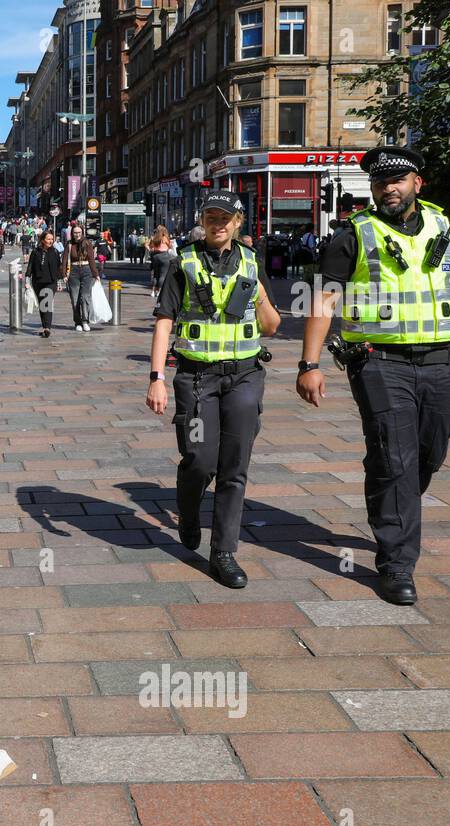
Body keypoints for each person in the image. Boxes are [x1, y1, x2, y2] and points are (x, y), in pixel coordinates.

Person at [297, 145, 450, 605]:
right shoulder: (353, 234)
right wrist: (309, 365)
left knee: (430, 451)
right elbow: (325, 300)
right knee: (396, 457)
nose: (388, 187)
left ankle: (392, 490)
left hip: (442, 363)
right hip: (378, 363)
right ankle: (396, 564)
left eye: (397, 179)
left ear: (417, 184)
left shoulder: (445, 228)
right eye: (380, 182)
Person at [146, 191, 282, 589]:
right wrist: (156, 378)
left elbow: (272, 326)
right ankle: (189, 512)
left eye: (226, 217)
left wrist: (258, 296)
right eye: (211, 217)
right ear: (203, 221)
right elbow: (164, 322)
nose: (218, 223)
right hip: (196, 379)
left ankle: (223, 552)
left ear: (239, 222)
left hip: (244, 376)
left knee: (234, 465)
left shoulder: (253, 264)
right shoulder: (182, 262)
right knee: (200, 459)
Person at [62, 225, 100, 332]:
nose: (77, 234)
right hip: (73, 271)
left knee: (85, 297)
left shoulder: (87, 243)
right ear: (72, 233)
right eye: (75, 232)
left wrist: (96, 274)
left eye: (79, 232)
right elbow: (64, 260)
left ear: (82, 233)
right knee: (75, 299)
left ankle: (85, 321)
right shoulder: (69, 244)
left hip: (86, 270)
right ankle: (77, 322)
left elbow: (92, 259)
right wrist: (64, 274)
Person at [26, 229, 63, 339]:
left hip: (51, 282)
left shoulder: (55, 252)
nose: (50, 241)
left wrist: (60, 281)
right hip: (38, 281)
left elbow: (59, 268)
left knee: (47, 302)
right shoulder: (35, 252)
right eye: (48, 239)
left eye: (52, 239)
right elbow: (30, 266)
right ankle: (45, 326)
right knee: (42, 304)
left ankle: (47, 328)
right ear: (42, 240)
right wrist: (27, 279)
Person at [146, 225, 176, 296]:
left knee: (155, 275)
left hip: (155, 256)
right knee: (163, 275)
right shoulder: (164, 238)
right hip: (164, 256)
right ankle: (159, 291)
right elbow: (170, 246)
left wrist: (151, 250)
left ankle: (153, 292)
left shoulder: (154, 238)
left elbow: (147, 244)